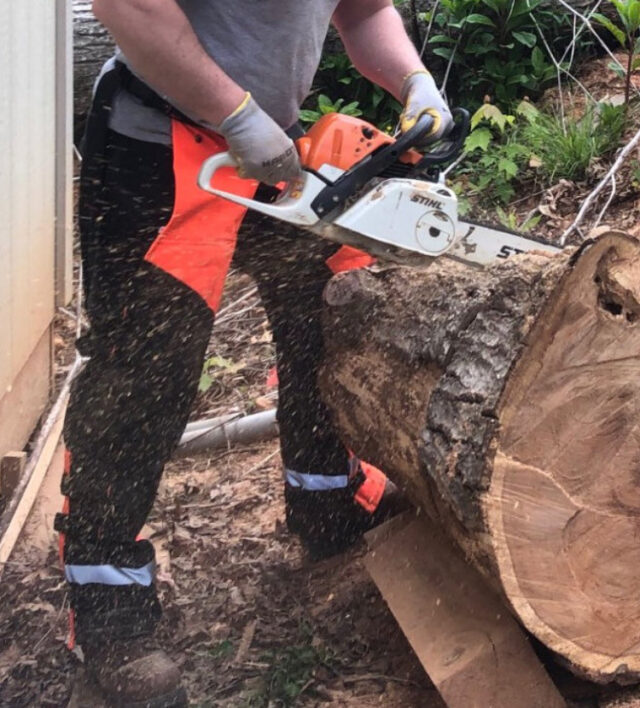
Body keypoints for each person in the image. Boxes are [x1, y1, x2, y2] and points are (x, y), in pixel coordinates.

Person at [57, 1, 452, 705]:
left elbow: (365, 14)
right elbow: (126, 6)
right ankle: (106, 601)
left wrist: (415, 81)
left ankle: (328, 499)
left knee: (331, 306)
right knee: (144, 371)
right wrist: (232, 112)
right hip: (159, 142)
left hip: (271, 145)